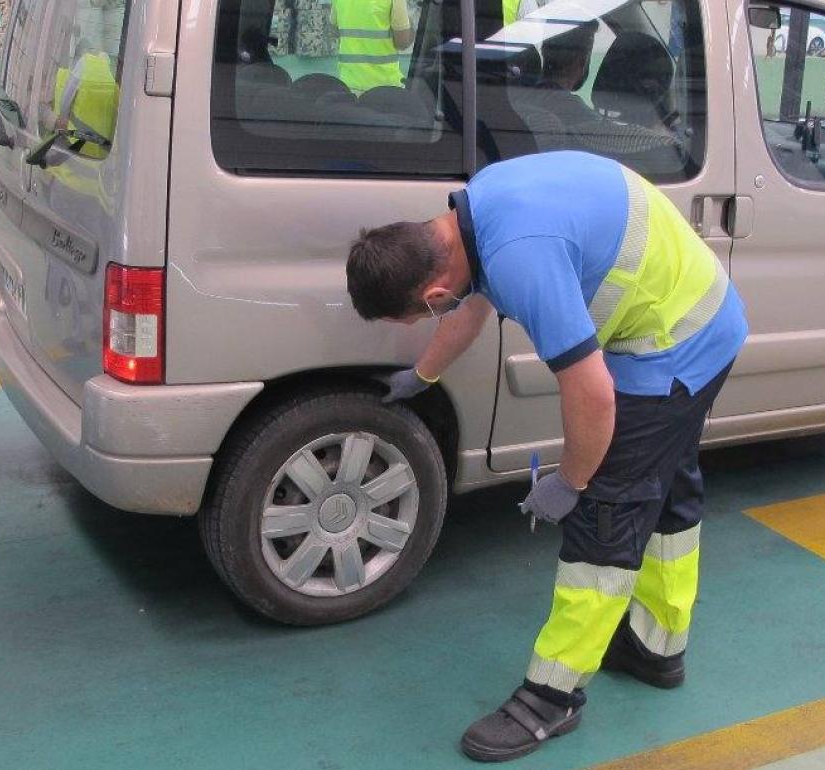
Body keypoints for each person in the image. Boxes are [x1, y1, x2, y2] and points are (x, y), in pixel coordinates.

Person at [345, 150, 749, 763]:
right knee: (665, 488)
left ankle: (551, 700)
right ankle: (655, 647)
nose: (434, 315)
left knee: (606, 517)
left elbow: (591, 391)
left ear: (432, 288)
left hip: (673, 347)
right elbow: (471, 304)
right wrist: (422, 376)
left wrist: (572, 481)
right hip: (702, 318)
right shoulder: (474, 214)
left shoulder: (520, 257)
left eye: (423, 313)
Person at [330, 0, 414, 93]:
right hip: (385, 86)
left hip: (349, 85)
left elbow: (334, 31)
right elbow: (403, 42)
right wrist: (408, 20)